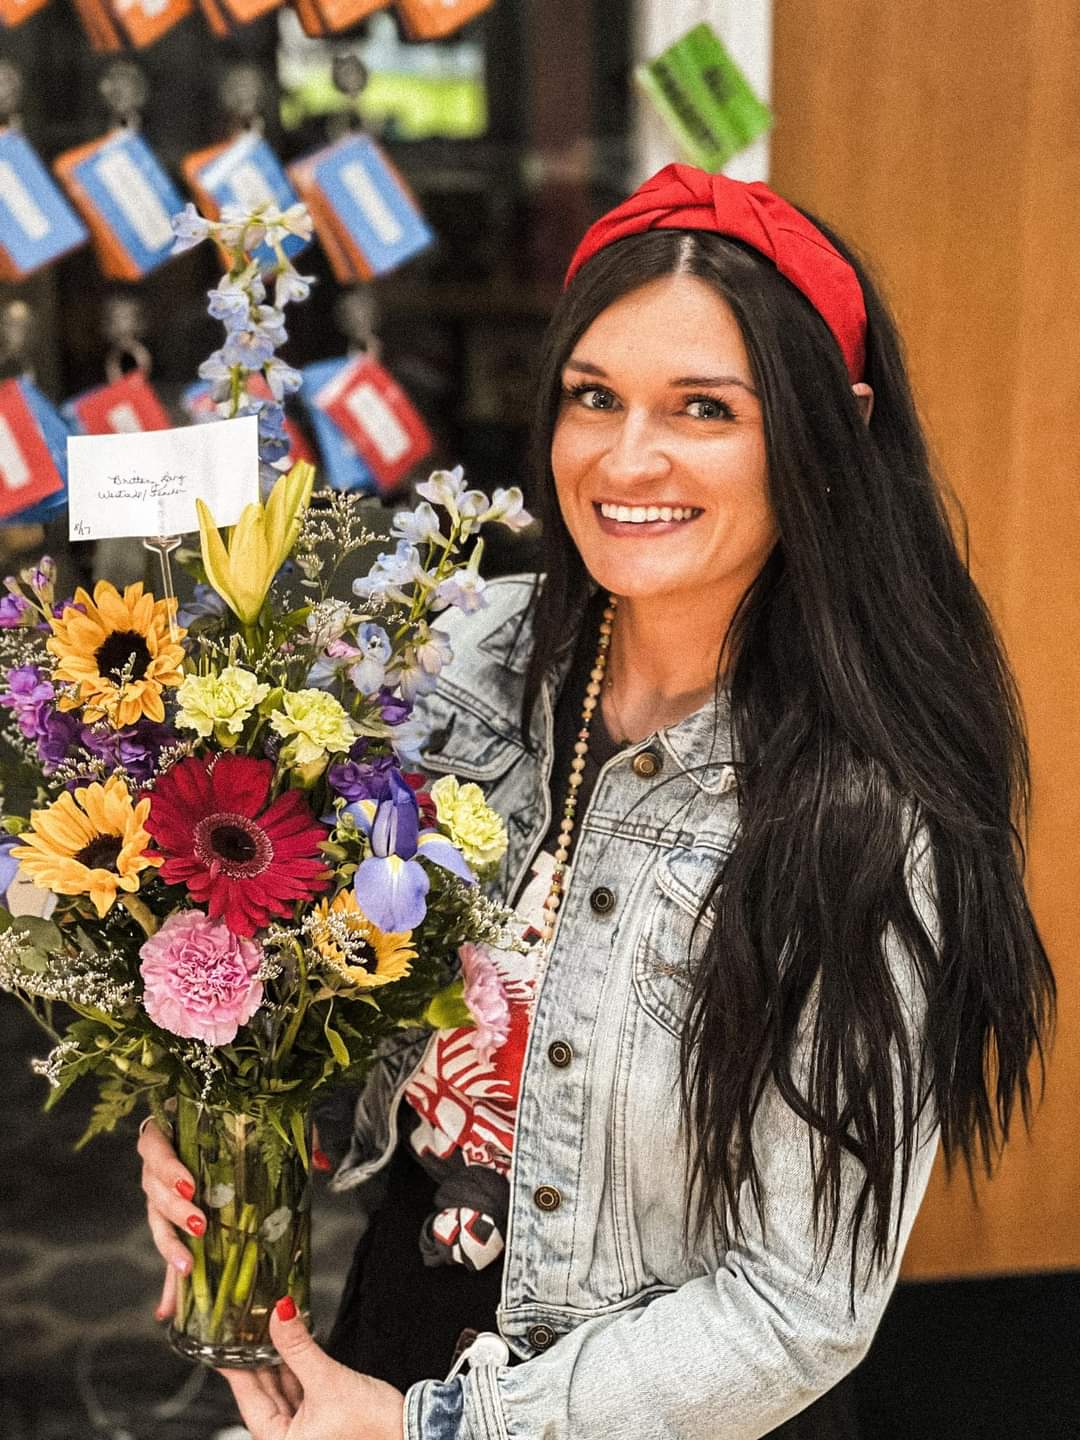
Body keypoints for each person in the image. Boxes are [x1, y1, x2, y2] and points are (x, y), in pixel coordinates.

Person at [136, 164, 1054, 1439]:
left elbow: (799, 1306)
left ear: (827, 435)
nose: (628, 457)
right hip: (384, 1340)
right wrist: (227, 1134)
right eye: (593, 397)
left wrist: (439, 1434)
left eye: (702, 409)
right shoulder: (451, 670)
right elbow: (349, 1037)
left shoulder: (863, 808)